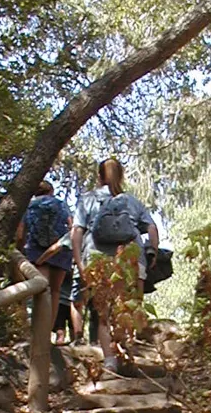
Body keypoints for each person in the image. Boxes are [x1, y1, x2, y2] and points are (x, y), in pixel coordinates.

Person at [71, 157, 158, 373]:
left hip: (98, 259)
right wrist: (153, 252)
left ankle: (110, 361)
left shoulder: (87, 199)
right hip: (130, 258)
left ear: (99, 176)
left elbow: (77, 232)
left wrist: (80, 263)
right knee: (130, 309)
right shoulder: (132, 201)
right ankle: (127, 354)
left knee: (103, 313)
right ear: (121, 175)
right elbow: (152, 228)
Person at [17, 182, 73, 345]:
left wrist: (20, 251)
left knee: (41, 291)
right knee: (55, 291)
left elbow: (21, 232)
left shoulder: (29, 206)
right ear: (51, 191)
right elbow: (71, 226)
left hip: (37, 250)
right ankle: (46, 333)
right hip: (61, 251)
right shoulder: (61, 204)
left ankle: (35, 332)